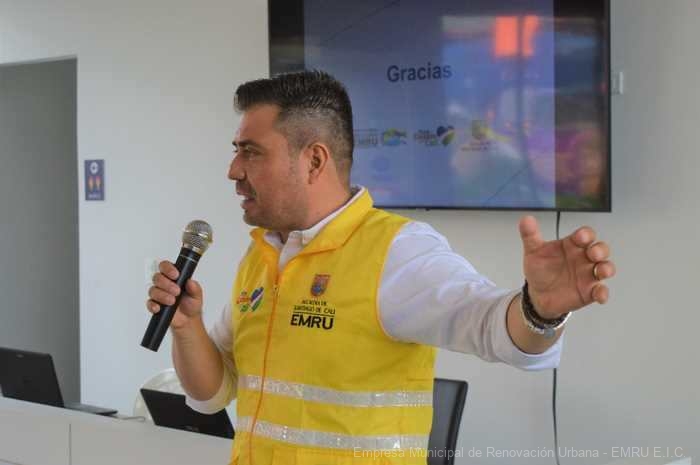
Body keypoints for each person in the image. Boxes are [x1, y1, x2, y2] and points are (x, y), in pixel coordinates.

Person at [146, 70, 616, 465]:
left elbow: (493, 327)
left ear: (314, 161)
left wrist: (540, 310)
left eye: (251, 151)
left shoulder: (396, 251)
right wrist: (186, 327)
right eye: (236, 149)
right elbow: (211, 394)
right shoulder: (263, 254)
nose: (233, 170)